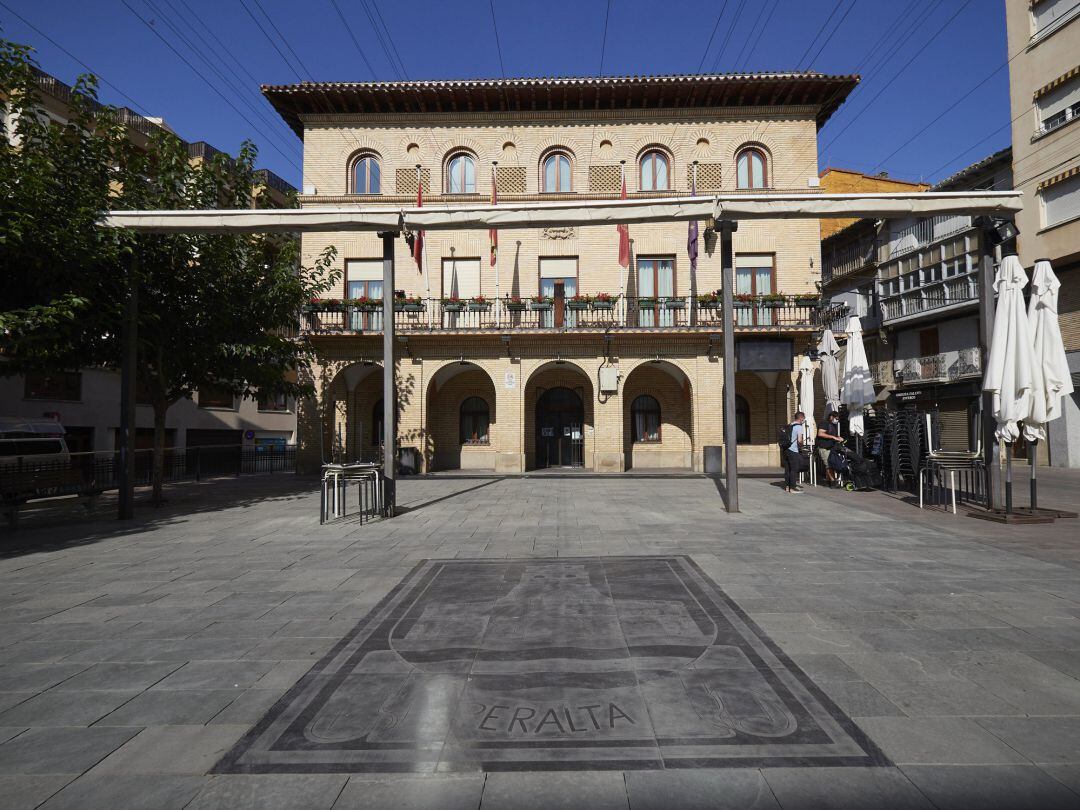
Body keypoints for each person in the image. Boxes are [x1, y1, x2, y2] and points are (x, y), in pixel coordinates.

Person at [816, 411, 846, 485]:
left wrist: (838, 437)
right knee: (828, 465)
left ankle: (828, 481)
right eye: (836, 418)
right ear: (831, 417)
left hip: (830, 447)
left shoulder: (832, 425)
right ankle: (833, 482)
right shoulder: (824, 423)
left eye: (838, 419)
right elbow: (820, 433)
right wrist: (833, 437)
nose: (837, 420)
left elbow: (833, 435)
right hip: (824, 447)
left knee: (830, 463)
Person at [783, 411, 807, 494]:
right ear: (801, 418)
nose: (804, 420)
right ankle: (792, 488)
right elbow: (799, 441)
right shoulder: (799, 427)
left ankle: (787, 486)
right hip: (793, 450)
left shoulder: (790, 424)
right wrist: (802, 446)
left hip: (786, 449)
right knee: (794, 469)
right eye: (803, 418)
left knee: (788, 468)